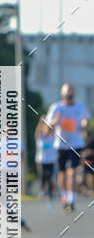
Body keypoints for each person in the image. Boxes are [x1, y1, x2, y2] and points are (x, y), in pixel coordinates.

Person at [45, 83, 90, 211]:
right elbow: (48, 126)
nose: (69, 93)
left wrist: (84, 124)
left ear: (73, 93)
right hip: (60, 145)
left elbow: (85, 120)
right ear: (62, 93)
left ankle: (72, 199)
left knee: (72, 171)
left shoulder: (80, 107)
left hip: (76, 144)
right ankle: (64, 197)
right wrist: (55, 120)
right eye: (67, 91)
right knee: (62, 173)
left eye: (71, 91)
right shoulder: (56, 107)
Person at [34, 120, 55, 203]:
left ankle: (50, 193)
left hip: (50, 160)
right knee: (43, 176)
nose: (46, 131)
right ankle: (42, 191)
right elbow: (37, 131)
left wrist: (49, 122)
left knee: (49, 176)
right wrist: (41, 122)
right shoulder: (40, 137)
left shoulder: (51, 137)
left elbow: (53, 129)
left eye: (48, 130)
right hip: (41, 160)